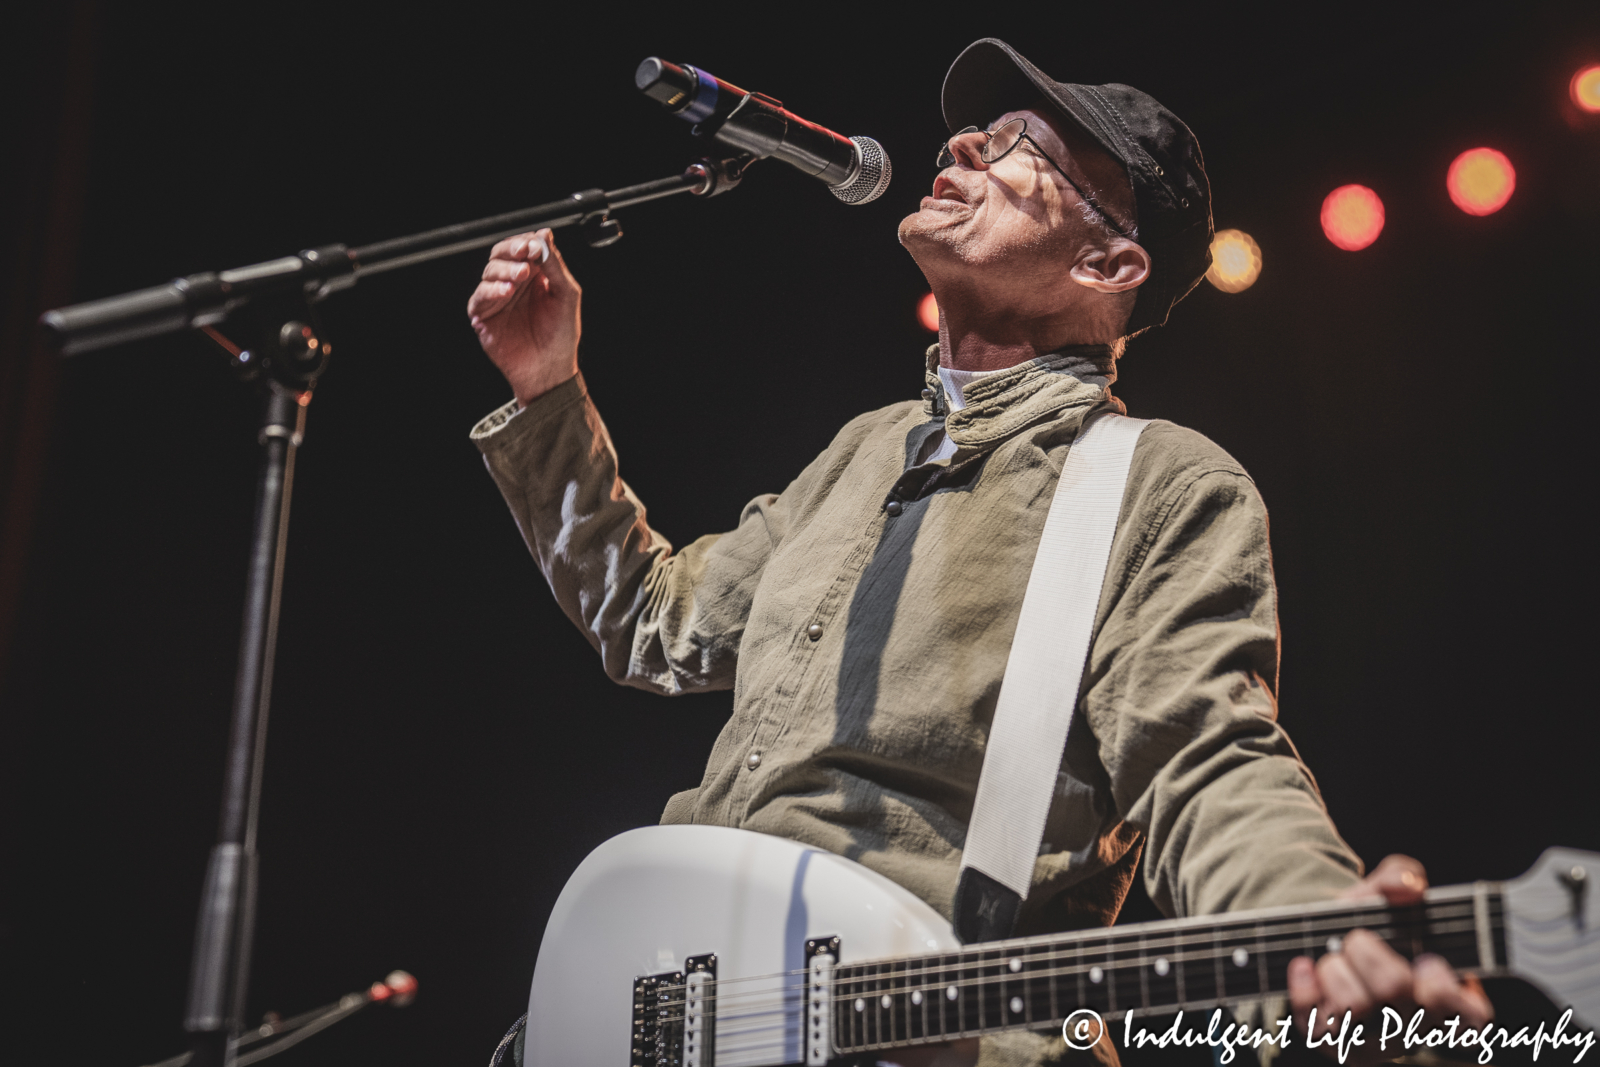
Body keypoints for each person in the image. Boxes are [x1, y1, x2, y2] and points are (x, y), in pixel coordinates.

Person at [464, 38, 1490, 1067]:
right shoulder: (862, 451)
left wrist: (1321, 925)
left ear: (1107, 262)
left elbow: (1206, 755)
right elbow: (650, 619)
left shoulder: (1156, 483)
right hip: (690, 997)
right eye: (978, 132)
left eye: (1017, 149)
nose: (963, 142)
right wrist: (549, 394)